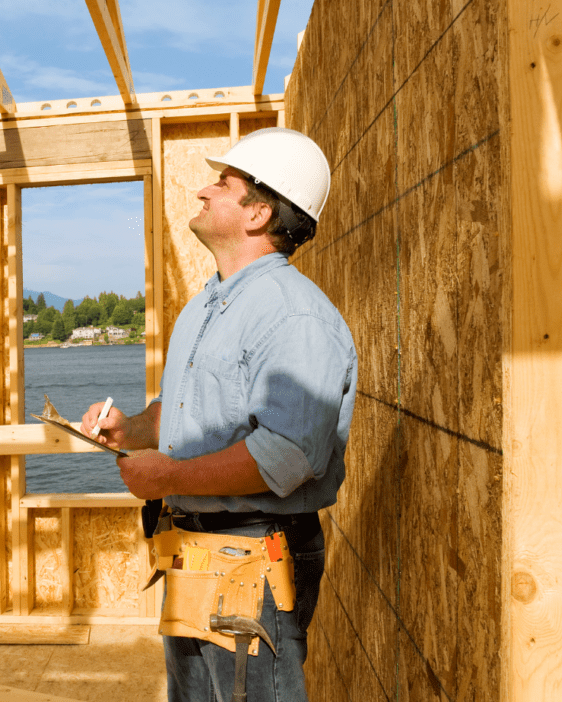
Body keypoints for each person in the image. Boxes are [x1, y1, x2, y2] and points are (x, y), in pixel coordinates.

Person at [81, 127, 356, 702]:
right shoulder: (207, 306)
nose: (204, 191)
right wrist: (130, 429)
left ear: (259, 213)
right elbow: (180, 412)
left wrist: (169, 476)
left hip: (253, 558)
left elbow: (288, 455)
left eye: (223, 183)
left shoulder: (294, 316)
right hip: (195, 551)